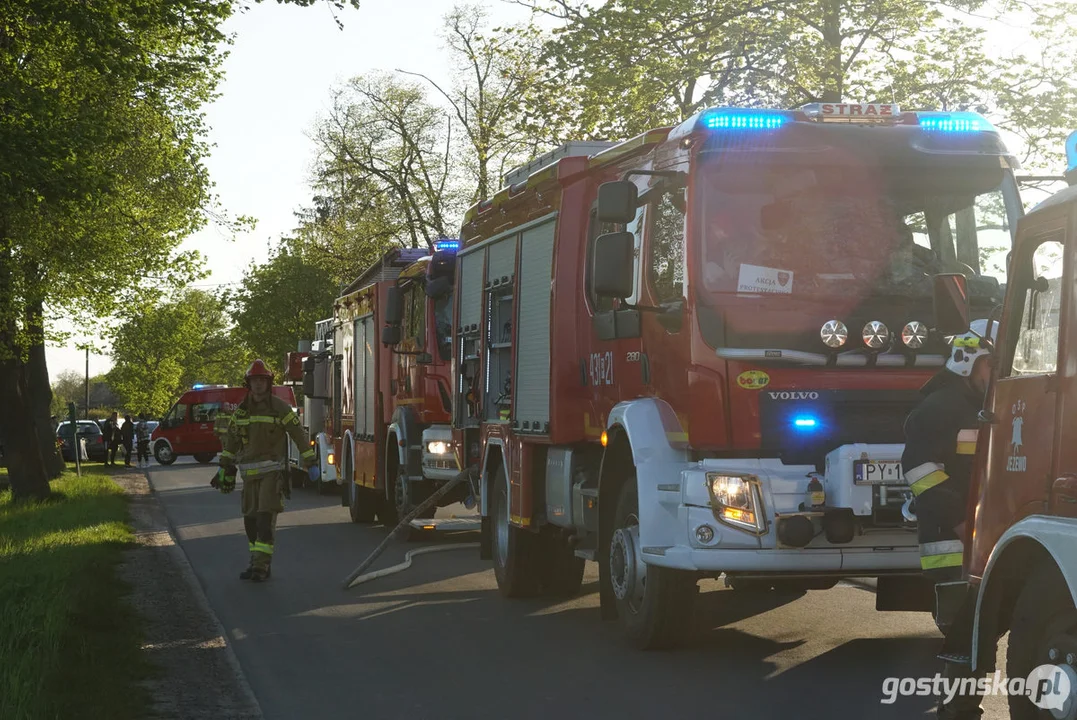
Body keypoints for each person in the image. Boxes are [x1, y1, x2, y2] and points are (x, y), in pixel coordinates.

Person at [901, 318, 997, 720]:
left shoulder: (980, 407)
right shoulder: (940, 408)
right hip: (949, 541)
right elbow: (919, 469)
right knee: (966, 628)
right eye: (991, 364)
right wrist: (961, 521)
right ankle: (959, 710)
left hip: (976, 535)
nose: (997, 372)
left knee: (976, 627)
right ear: (966, 361)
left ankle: (961, 707)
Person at [215, 360, 317, 582]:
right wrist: (224, 465)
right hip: (249, 476)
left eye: (262, 381)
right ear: (249, 384)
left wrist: (310, 460)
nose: (259, 385)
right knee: (250, 522)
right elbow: (232, 439)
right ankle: (255, 563)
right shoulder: (241, 411)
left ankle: (262, 567)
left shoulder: (279, 407)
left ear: (268, 383)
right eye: (255, 381)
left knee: (264, 520)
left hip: (273, 473)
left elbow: (298, 433)